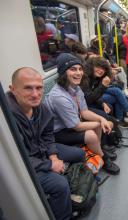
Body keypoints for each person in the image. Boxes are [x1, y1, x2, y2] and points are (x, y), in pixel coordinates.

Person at [7, 67, 85, 220]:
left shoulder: (42, 109)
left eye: (39, 88)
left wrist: (53, 156)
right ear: (13, 89)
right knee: (59, 184)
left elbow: (48, 136)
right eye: (28, 88)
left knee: (80, 154)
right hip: (26, 164)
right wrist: (49, 165)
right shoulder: (7, 119)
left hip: (42, 152)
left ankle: (71, 192)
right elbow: (16, 158)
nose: (36, 94)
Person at [44, 53, 120, 175]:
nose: (78, 73)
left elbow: (84, 112)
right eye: (73, 69)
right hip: (58, 132)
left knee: (100, 122)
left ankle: (98, 150)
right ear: (64, 72)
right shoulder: (59, 97)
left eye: (80, 69)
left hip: (72, 123)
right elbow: (77, 126)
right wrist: (100, 122)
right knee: (91, 134)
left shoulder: (75, 88)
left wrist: (101, 119)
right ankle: (103, 157)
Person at [81, 56, 128, 128]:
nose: (101, 70)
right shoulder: (85, 79)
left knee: (116, 93)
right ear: (91, 66)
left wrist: (102, 102)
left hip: (96, 97)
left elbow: (96, 93)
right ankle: (127, 114)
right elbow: (89, 99)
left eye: (103, 69)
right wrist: (103, 86)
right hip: (87, 104)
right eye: (98, 67)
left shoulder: (97, 78)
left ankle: (121, 119)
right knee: (116, 92)